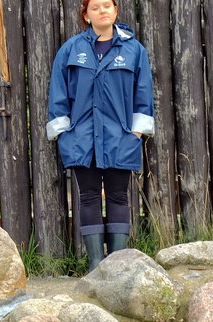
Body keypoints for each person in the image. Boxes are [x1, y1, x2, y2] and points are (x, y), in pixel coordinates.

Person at [47, 0, 154, 271]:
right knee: (89, 196)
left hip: (121, 137)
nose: (102, 10)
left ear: (116, 11)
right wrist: (63, 134)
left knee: (119, 196)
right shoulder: (70, 50)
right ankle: (95, 265)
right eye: (95, 7)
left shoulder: (134, 50)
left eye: (107, 5)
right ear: (86, 15)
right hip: (81, 138)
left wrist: (137, 132)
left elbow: (143, 94)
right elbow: (58, 93)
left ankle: (116, 266)